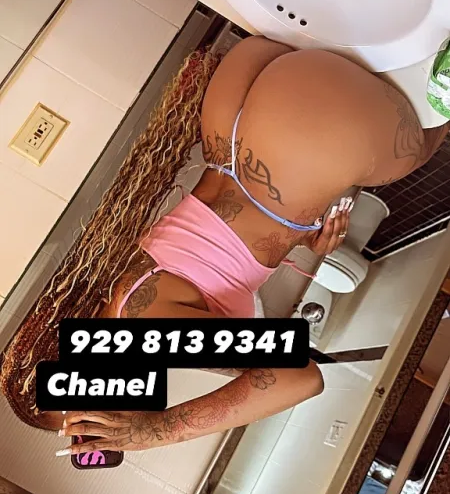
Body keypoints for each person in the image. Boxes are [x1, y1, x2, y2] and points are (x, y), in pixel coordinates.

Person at [1, 37, 448, 455]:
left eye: (92, 418)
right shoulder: (117, 294)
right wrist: (305, 239)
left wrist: (156, 431)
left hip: (309, 129)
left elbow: (300, 378)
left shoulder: (141, 337)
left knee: (427, 130)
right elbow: (222, 241)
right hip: (242, 88)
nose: (112, 420)